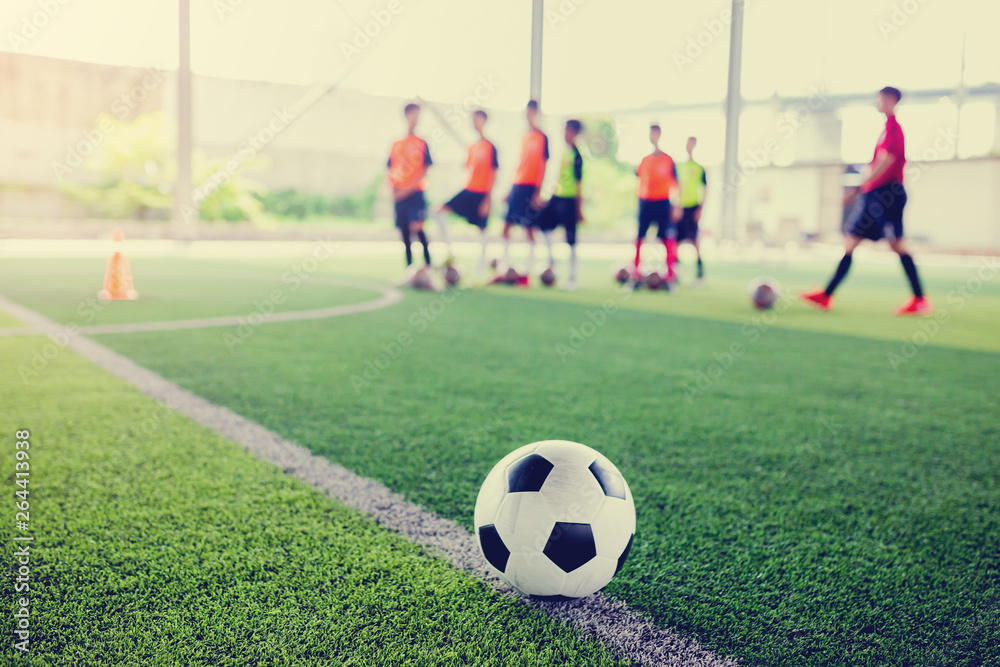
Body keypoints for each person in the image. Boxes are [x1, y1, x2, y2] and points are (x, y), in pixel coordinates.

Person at [801, 86, 930, 315]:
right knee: (851, 240)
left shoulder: (894, 129)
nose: (877, 102)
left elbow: (887, 161)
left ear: (891, 100)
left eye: (880, 99)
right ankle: (826, 294)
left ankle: (920, 299)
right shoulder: (884, 130)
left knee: (897, 245)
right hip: (874, 195)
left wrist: (859, 187)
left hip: (887, 195)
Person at [433, 110, 499, 278]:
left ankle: (480, 273)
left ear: (484, 121)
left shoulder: (491, 147)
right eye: (472, 119)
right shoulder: (472, 147)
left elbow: (493, 173)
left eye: (477, 119)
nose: (474, 122)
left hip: (482, 195)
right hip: (468, 191)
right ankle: (450, 253)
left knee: (482, 232)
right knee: (437, 211)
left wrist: (488, 200)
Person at [503, 100, 549, 286]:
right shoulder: (523, 137)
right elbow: (519, 164)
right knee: (506, 227)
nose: (530, 116)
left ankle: (527, 273)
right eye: (527, 112)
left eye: (532, 112)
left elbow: (542, 164)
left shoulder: (542, 137)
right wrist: (509, 189)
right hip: (517, 185)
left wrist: (538, 191)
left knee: (529, 228)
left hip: (531, 187)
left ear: (537, 114)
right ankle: (505, 268)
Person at [537, 119, 584, 291]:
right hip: (557, 197)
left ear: (575, 133)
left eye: (568, 130)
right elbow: (559, 177)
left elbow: (579, 184)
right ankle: (551, 262)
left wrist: (579, 208)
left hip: (570, 200)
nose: (565, 134)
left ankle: (572, 277)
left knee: (571, 238)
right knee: (542, 224)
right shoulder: (565, 152)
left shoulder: (577, 155)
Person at [387, 103, 433, 273]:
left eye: (418, 115)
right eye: (413, 115)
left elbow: (424, 170)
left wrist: (408, 189)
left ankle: (429, 268)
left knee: (418, 228)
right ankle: (409, 270)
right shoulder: (396, 144)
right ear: (406, 116)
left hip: (416, 194)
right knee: (404, 231)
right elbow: (390, 168)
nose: (416, 119)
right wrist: (394, 189)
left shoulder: (422, 143)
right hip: (399, 195)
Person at [634, 124, 678, 285]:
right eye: (650, 134)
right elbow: (639, 181)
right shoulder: (644, 160)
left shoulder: (668, 160)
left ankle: (670, 277)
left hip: (663, 202)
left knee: (666, 238)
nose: (653, 137)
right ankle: (636, 275)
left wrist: (676, 206)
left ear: (659, 135)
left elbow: (676, 184)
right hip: (646, 202)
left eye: (655, 134)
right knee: (639, 237)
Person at [676, 136, 707, 285]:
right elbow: (676, 188)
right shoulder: (678, 167)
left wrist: (700, 208)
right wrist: (676, 207)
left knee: (695, 241)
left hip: (693, 207)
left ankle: (700, 274)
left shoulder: (699, 168)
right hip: (681, 208)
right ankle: (675, 272)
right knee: (676, 242)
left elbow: (705, 189)